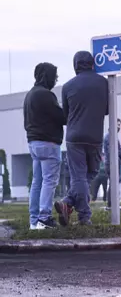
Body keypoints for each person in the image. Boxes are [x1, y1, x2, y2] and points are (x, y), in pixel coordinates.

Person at [55, 51, 109, 226]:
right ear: (93, 64)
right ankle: (84, 216)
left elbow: (65, 114)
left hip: (74, 136)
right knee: (90, 173)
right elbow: (108, 109)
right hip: (95, 136)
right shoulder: (103, 82)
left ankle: (67, 203)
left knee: (79, 176)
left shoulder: (67, 86)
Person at [24, 62, 65, 230]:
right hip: (48, 143)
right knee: (49, 181)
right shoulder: (46, 95)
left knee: (37, 182)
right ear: (47, 76)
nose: (55, 79)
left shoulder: (30, 95)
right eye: (54, 76)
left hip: (33, 143)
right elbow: (62, 118)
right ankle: (44, 217)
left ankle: (34, 221)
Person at [100, 119, 121, 207]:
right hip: (111, 163)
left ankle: (112, 203)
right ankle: (111, 204)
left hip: (113, 162)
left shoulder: (112, 136)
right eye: (116, 125)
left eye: (119, 125)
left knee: (114, 183)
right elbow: (113, 152)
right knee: (113, 183)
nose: (118, 127)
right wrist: (120, 159)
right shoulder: (109, 137)